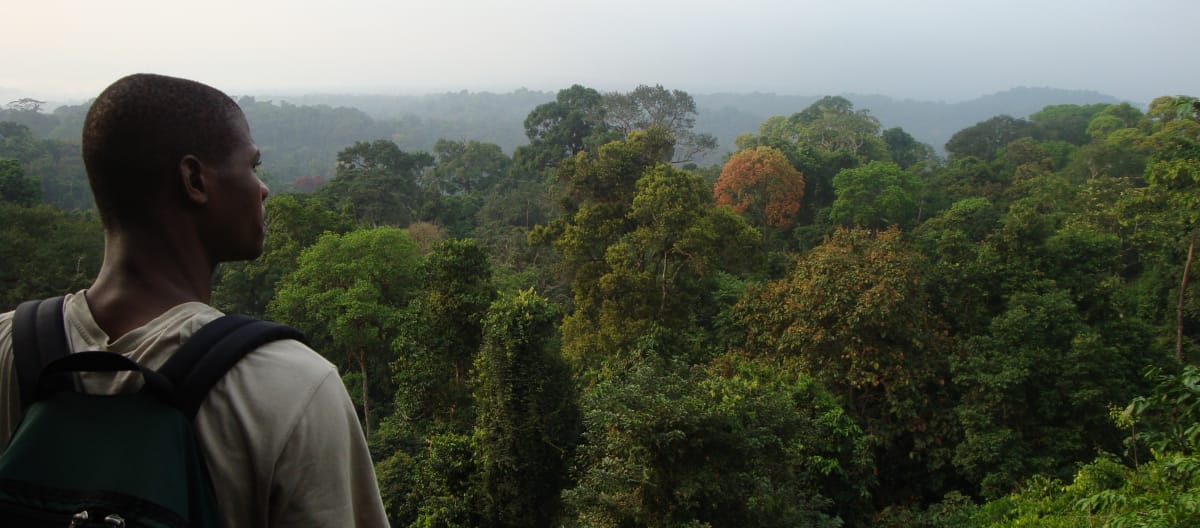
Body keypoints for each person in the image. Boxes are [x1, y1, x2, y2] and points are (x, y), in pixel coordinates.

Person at [0, 73, 390, 527]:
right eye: (252, 167)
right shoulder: (292, 387)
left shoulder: (9, 349)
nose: (262, 188)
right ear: (195, 180)